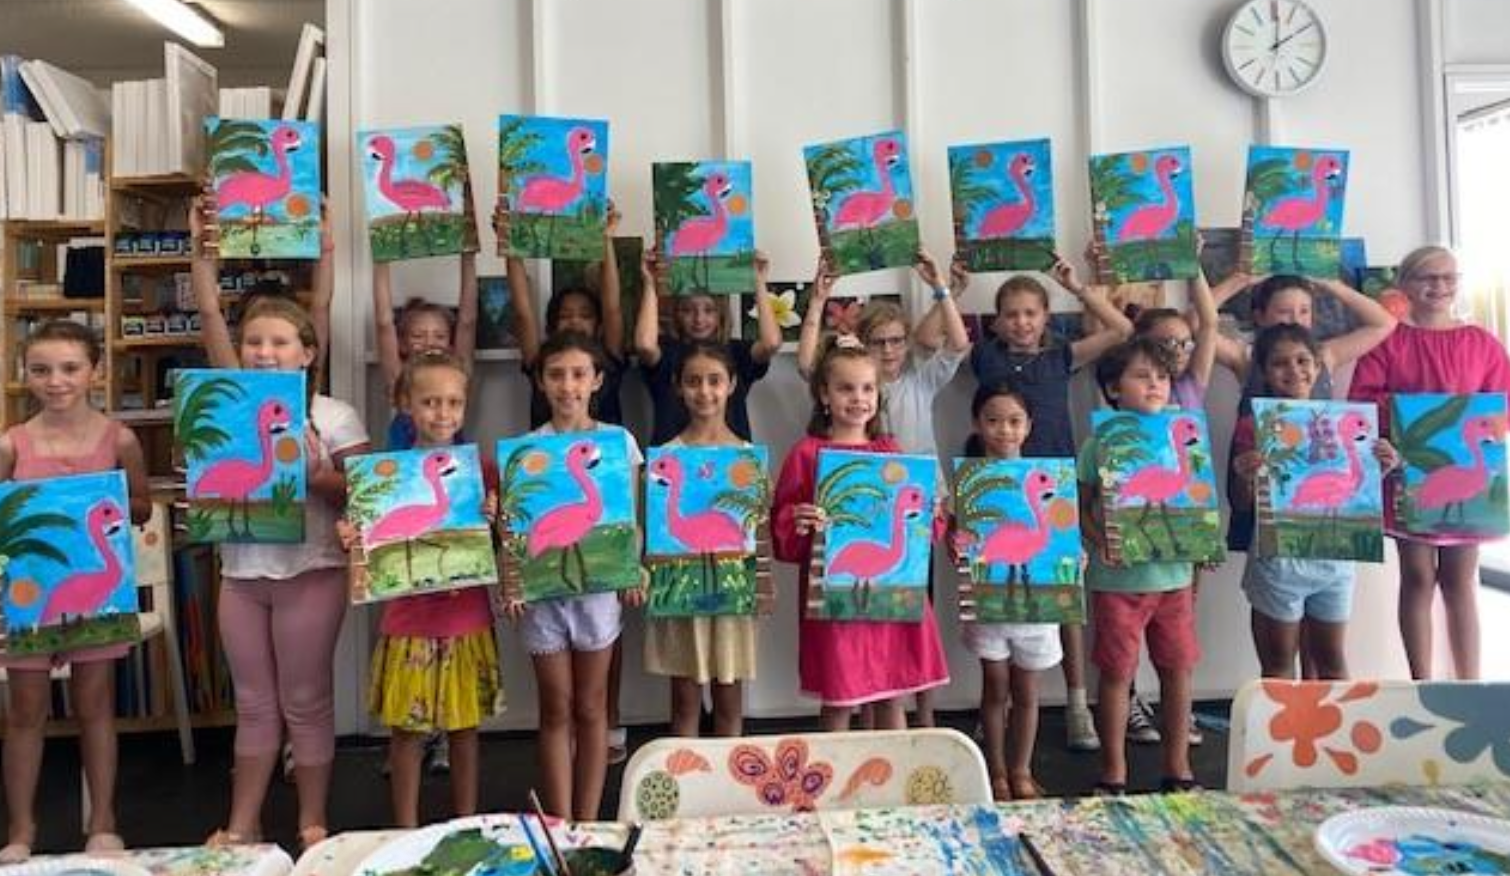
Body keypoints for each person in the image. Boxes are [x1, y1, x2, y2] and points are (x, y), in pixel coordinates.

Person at [193, 195, 371, 849]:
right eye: (253, 342)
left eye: (279, 342)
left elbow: (364, 493)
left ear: (305, 352)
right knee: (253, 702)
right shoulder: (231, 403)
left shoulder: (332, 415)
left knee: (305, 699)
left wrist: (318, 474)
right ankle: (243, 822)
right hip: (243, 575)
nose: (264, 352)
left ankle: (311, 820)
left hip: (310, 572)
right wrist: (202, 249)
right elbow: (208, 316)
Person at [797, 250, 970, 728]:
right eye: (879, 342)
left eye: (897, 341)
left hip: (911, 526)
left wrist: (944, 289)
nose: (890, 350)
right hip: (853, 548)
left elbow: (956, 344)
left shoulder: (916, 387)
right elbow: (810, 365)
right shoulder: (840, 411)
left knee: (907, 633)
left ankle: (921, 723)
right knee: (854, 660)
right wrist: (818, 302)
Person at [0, 321, 152, 863]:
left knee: (96, 705)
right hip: (30, 600)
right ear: (26, 374)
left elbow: (141, 507)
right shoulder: (11, 444)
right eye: (41, 370)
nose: (55, 380)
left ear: (94, 371)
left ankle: (103, 821)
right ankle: (21, 828)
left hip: (98, 597)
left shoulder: (120, 439)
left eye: (69, 368)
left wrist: (97, 500)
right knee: (25, 711)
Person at [970, 259, 1132, 752]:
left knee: (1064, 597)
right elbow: (943, 339)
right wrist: (944, 290)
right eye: (1011, 314)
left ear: (1045, 317)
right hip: (1000, 483)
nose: (1021, 322)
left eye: (1031, 313)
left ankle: (1077, 701)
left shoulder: (1061, 357)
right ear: (997, 321)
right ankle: (995, 709)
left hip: (1054, 488)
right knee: (1000, 591)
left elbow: (1122, 330)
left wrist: (1077, 287)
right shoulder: (986, 359)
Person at [339, 353, 503, 827]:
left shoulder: (482, 472)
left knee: (465, 727)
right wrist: (351, 536)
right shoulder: (384, 476)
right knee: (407, 732)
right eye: (430, 402)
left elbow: (497, 545)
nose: (442, 412)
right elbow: (364, 535)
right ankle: (405, 828)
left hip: (466, 618)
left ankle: (466, 820)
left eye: (453, 402)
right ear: (406, 405)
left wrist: (494, 519)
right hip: (409, 622)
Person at [499, 331, 645, 820]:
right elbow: (515, 531)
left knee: (591, 706)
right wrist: (513, 579)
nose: (568, 386)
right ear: (541, 382)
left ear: (597, 380)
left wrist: (632, 566)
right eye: (557, 375)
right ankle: (561, 822)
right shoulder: (526, 451)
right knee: (556, 708)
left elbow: (631, 519)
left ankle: (590, 820)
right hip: (542, 600)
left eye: (579, 374)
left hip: (599, 598)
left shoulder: (618, 444)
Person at [771, 336, 950, 731]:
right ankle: (833, 772)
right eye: (846, 388)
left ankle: (894, 771)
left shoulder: (891, 452)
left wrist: (932, 514)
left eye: (867, 388)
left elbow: (921, 531)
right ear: (824, 394)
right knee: (839, 699)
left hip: (890, 600)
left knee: (891, 695)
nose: (858, 398)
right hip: (838, 603)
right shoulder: (807, 455)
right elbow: (783, 529)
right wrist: (799, 518)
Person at [1348, 245, 1510, 680]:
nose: (1440, 286)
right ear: (1405, 284)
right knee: (1417, 576)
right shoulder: (1389, 340)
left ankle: (1469, 682)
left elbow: (1501, 403)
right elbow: (1364, 398)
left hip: (1468, 479)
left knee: (1461, 580)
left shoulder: (1481, 343)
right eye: (1428, 278)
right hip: (1409, 471)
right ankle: (1421, 682)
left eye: (1448, 277)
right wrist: (1408, 418)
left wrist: (1486, 422)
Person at [1231, 325, 1400, 679]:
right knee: (1278, 666)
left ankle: (1335, 719)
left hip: (1335, 562)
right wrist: (1245, 476)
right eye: (1280, 363)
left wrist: (1381, 466)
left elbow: (1355, 494)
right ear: (1264, 371)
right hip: (1280, 563)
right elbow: (1243, 503)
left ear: (1318, 366)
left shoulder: (1344, 422)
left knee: (1332, 662)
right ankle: (1283, 719)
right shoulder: (1254, 426)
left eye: (1302, 360)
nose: (1294, 370)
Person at [1078, 339, 1199, 794]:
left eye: (1162, 377)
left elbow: (1195, 500)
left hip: (1174, 579)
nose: (1155, 384)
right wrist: (1101, 540)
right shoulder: (1099, 443)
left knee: (1178, 668)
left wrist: (1201, 542)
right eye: (1142, 376)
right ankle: (1113, 772)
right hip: (1119, 582)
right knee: (1117, 672)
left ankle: (1178, 767)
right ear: (1114, 388)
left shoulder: (1185, 435)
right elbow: (1080, 507)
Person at [1121, 268, 1219, 746]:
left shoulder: (1191, 386)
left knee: (1180, 624)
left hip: (1186, 520)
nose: (1176, 351)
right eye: (1165, 343)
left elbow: (1211, 321)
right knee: (1127, 624)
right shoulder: (1131, 391)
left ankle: (1180, 709)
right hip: (1136, 517)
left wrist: (1191, 266)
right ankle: (1129, 700)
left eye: (1183, 343)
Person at [642, 343, 761, 737]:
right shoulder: (665, 458)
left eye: (714, 380)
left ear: (732, 385)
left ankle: (728, 772)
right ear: (678, 387)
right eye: (693, 381)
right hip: (681, 602)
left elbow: (755, 530)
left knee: (729, 698)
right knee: (684, 701)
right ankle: (688, 775)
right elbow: (651, 531)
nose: (704, 391)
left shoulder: (747, 458)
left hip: (731, 599)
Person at [953, 382, 1060, 801]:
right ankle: (996, 771)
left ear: (1028, 425)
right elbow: (957, 543)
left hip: (1037, 611)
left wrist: (1073, 559)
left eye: (1014, 421)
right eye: (994, 420)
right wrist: (957, 545)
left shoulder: (1049, 481)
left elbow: (1058, 541)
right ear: (977, 424)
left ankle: (1021, 770)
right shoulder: (970, 483)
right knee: (995, 684)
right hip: (989, 606)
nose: (1005, 430)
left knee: (1028, 691)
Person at [497, 201, 627, 428]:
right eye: (565, 315)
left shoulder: (608, 357)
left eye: (585, 315)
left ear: (599, 325)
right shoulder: (541, 358)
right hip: (546, 450)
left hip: (604, 449)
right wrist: (510, 242)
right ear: (552, 324)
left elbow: (612, 308)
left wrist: (605, 239)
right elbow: (523, 313)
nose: (575, 320)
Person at [635, 250, 780, 446]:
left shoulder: (736, 352)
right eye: (688, 310)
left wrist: (759, 283)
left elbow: (771, 343)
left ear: (721, 314)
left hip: (731, 455)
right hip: (673, 457)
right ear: (677, 314)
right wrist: (650, 283)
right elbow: (644, 344)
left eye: (709, 310)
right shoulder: (668, 352)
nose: (699, 319)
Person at [370, 250, 479, 452]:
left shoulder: (458, 371)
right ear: (403, 343)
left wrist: (468, 257)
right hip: (405, 464)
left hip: (451, 462)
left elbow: (467, 322)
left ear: (451, 343)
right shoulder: (400, 375)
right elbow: (384, 324)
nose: (430, 343)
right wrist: (381, 259)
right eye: (418, 336)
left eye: (440, 336)